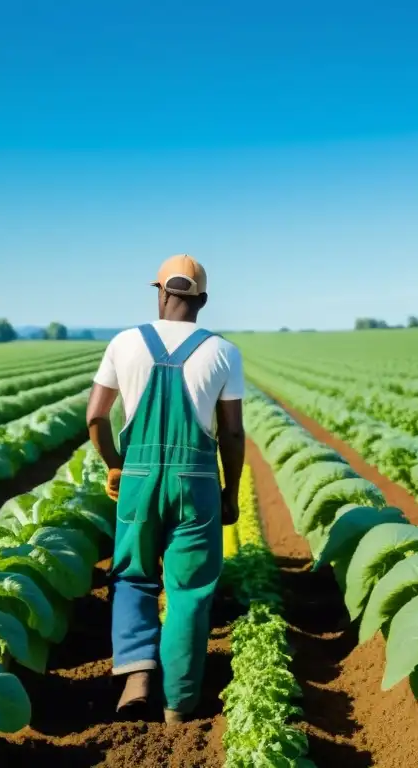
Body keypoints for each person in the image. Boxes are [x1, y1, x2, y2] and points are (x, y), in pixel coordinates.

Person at [85, 254, 246, 725]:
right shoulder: (222, 352)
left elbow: (96, 417)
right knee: (190, 590)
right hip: (195, 482)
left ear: (158, 291)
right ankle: (179, 704)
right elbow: (232, 433)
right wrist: (229, 491)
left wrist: (116, 466)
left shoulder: (125, 343)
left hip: (137, 478)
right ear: (204, 300)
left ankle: (135, 677)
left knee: (133, 576)